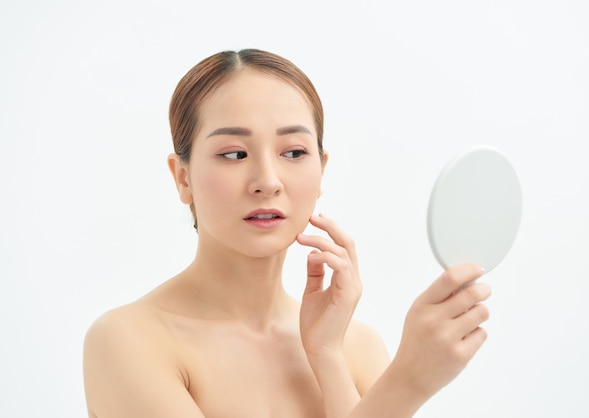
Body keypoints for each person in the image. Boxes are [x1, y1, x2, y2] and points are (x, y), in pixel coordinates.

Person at [83, 48, 491, 418]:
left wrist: (327, 357)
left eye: (293, 152)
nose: (267, 181)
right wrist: (407, 384)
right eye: (234, 154)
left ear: (322, 169)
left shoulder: (357, 349)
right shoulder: (128, 342)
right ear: (183, 177)